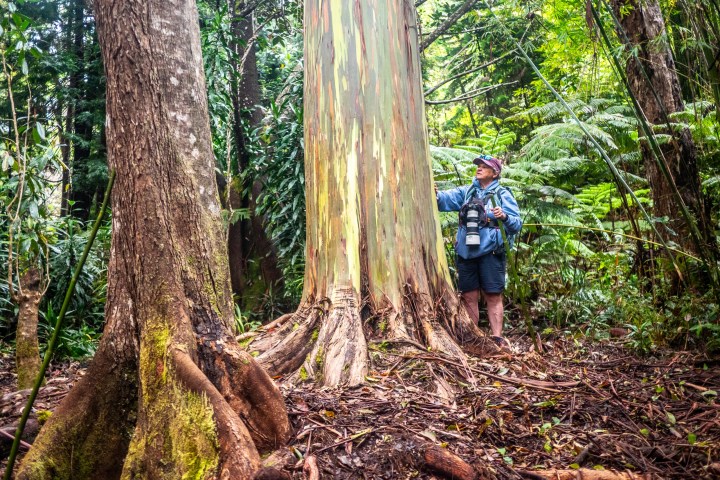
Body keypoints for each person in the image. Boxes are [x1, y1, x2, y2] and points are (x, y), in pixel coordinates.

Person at [435, 154, 522, 347]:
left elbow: (517, 224)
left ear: (495, 173)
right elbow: (444, 200)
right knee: (468, 295)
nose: (479, 168)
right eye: (479, 165)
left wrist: (504, 216)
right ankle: (472, 336)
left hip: (491, 252)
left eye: (485, 166)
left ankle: (497, 338)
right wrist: (435, 193)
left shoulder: (502, 194)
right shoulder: (468, 192)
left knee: (493, 294)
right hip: (466, 251)